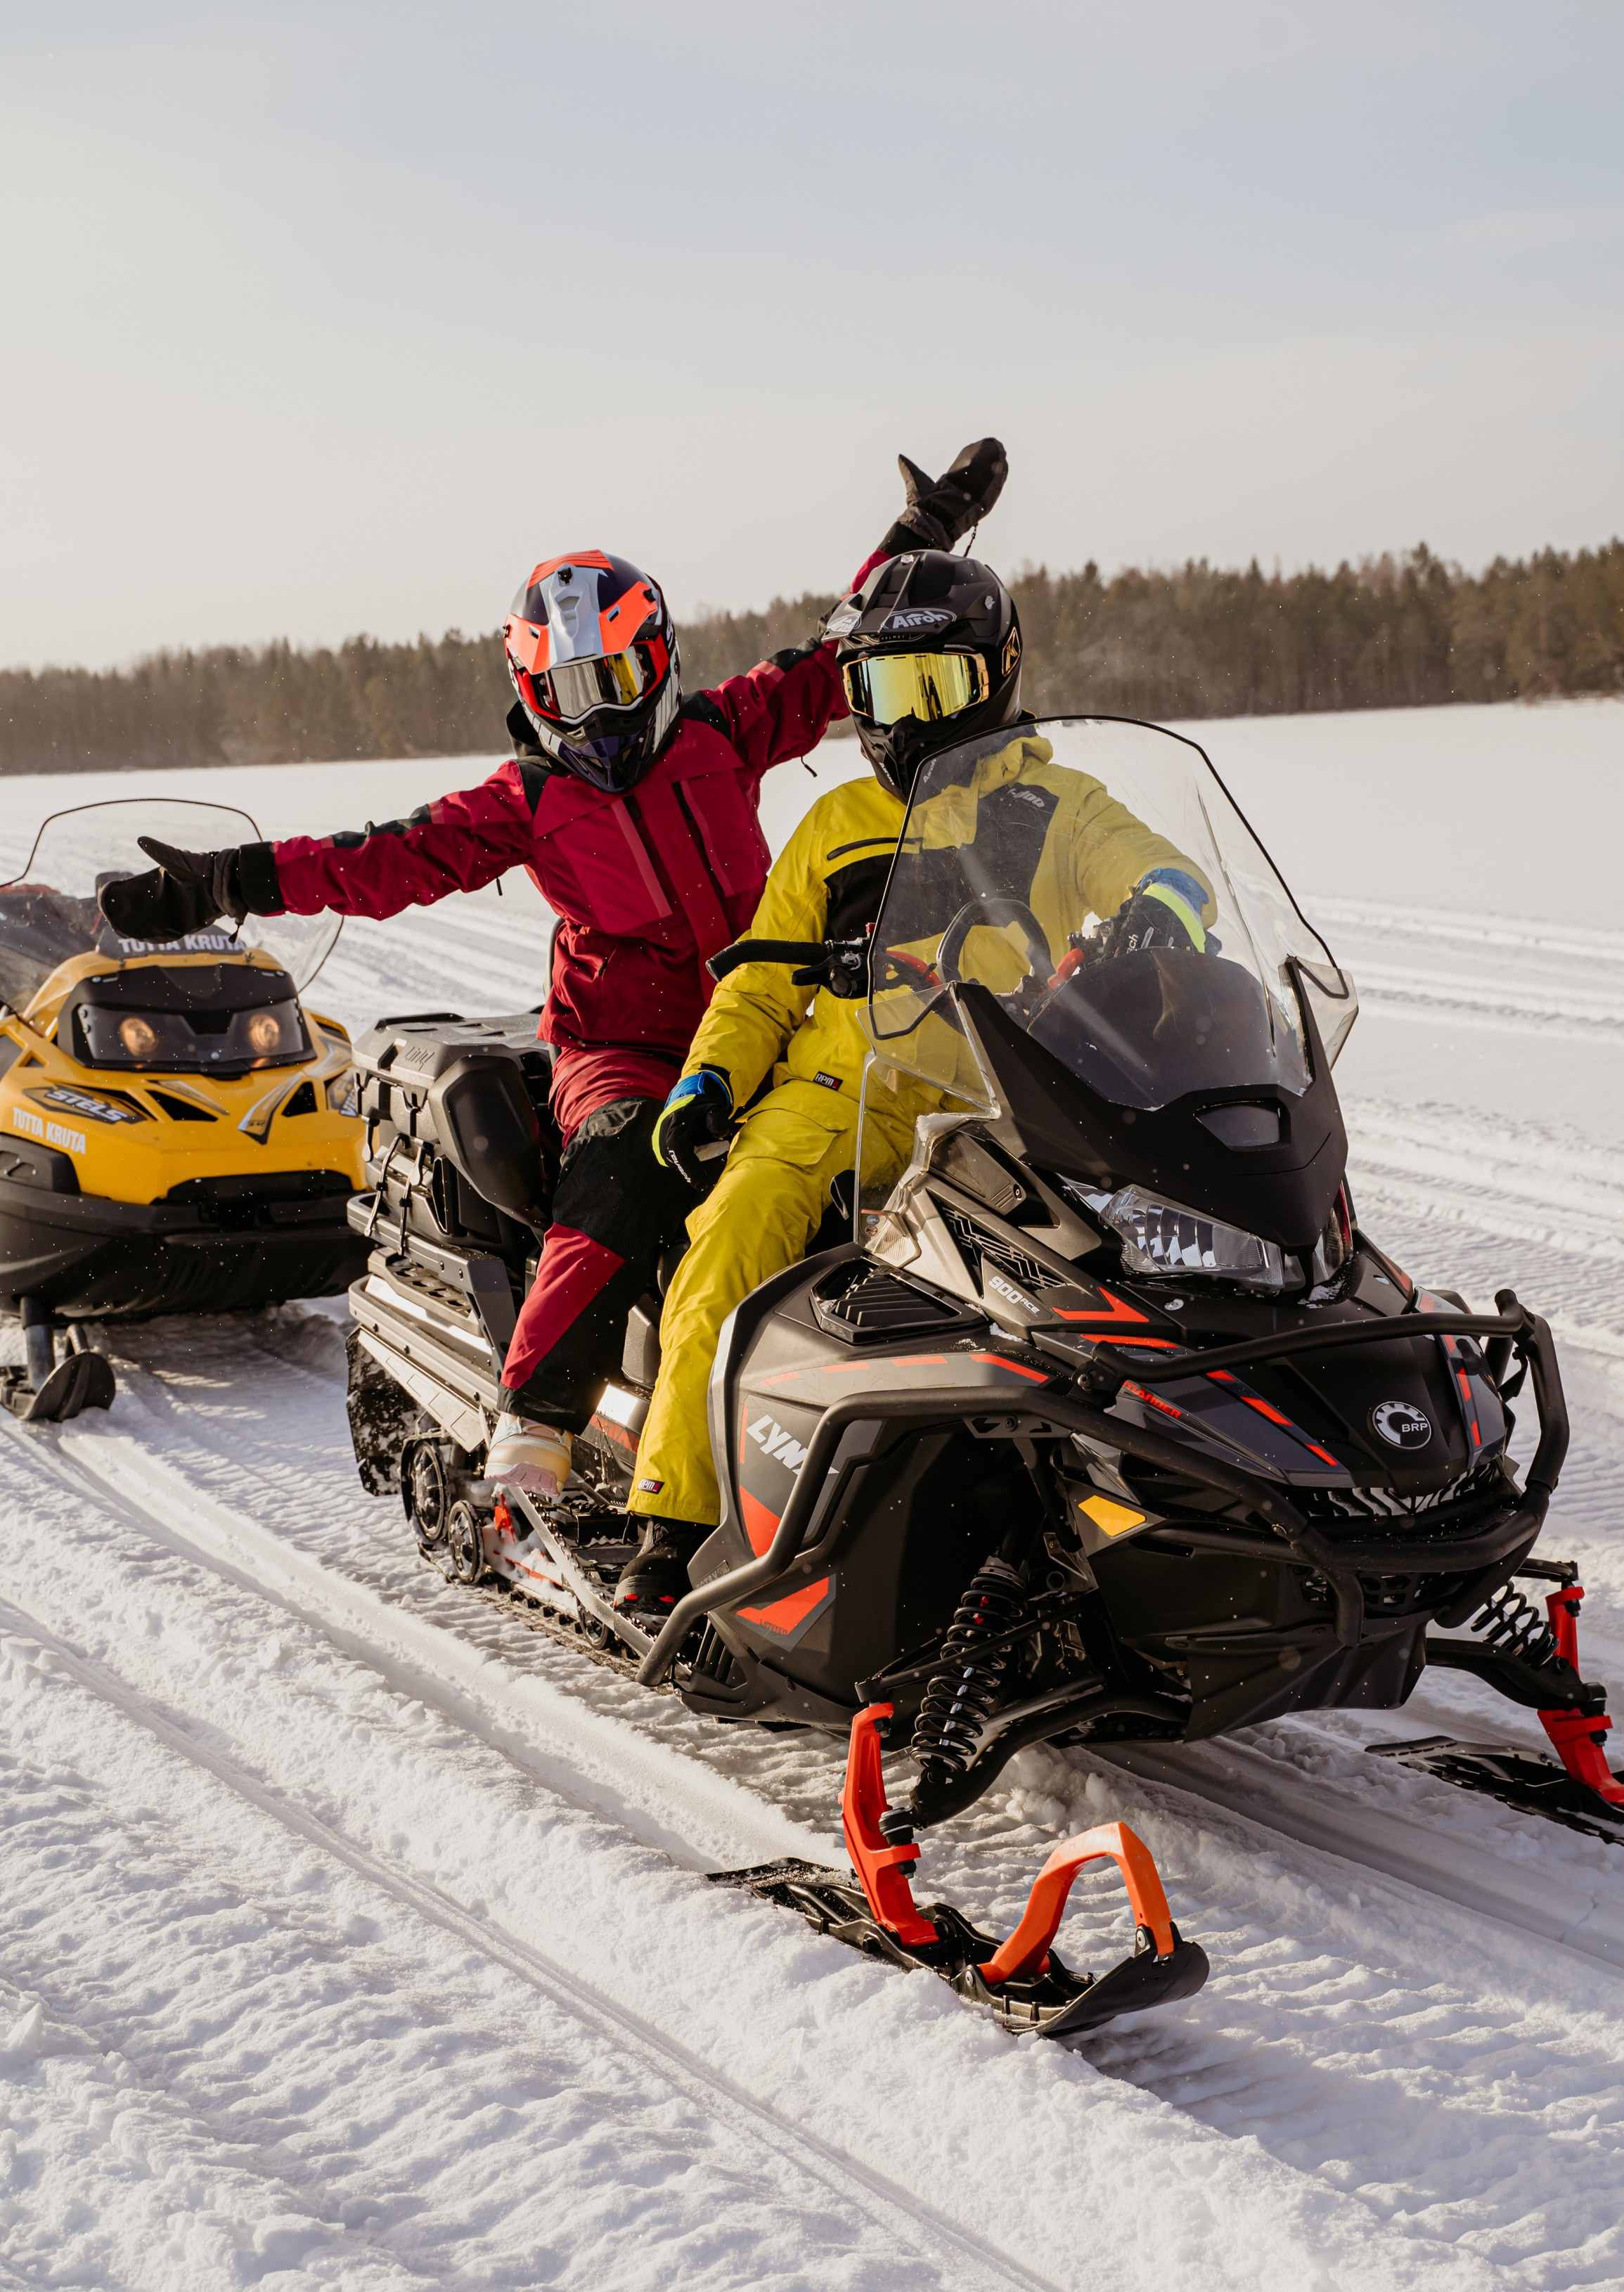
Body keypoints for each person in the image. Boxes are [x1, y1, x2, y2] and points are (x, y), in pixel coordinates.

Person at [98, 442, 1008, 1495]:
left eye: (620, 679)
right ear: (530, 692)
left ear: (660, 662)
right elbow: (379, 856)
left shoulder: (722, 731)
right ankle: (536, 1416)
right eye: (567, 691)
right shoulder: (527, 802)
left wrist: (920, 538)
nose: (601, 716)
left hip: (766, 1017)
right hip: (620, 1044)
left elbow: (836, 651)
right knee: (626, 1163)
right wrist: (224, 882)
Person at [617, 548, 1217, 1616]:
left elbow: (1165, 868)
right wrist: (708, 1080)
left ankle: (1142, 1502)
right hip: (834, 1096)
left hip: (1003, 1104)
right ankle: (673, 1520)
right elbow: (758, 985)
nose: (902, 720)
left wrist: (1162, 909)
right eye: (880, 690)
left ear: (995, 676)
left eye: (930, 686)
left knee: (1115, 1276)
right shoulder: (835, 826)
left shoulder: (1058, 804)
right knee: (734, 1229)